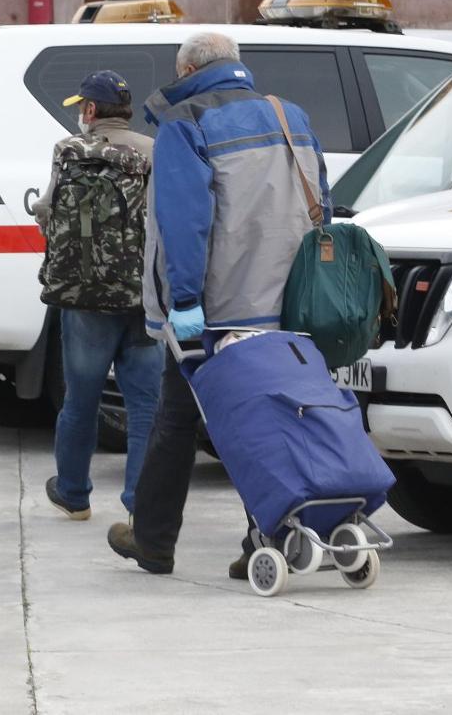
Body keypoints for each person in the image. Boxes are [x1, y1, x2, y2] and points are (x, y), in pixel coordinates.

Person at [107, 32, 331, 579]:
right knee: (272, 418)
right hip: (287, 302)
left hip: (218, 308)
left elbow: (185, 221)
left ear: (185, 68)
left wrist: (183, 301)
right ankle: (270, 538)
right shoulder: (290, 115)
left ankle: (154, 540)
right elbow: (321, 197)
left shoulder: (187, 122)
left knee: (179, 420)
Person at [34, 70, 162, 520]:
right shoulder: (152, 151)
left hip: (84, 297)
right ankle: (139, 503)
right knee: (145, 404)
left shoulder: (68, 151)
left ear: (90, 110)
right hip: (141, 296)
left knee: (81, 397)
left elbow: (48, 211)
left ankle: (72, 493)